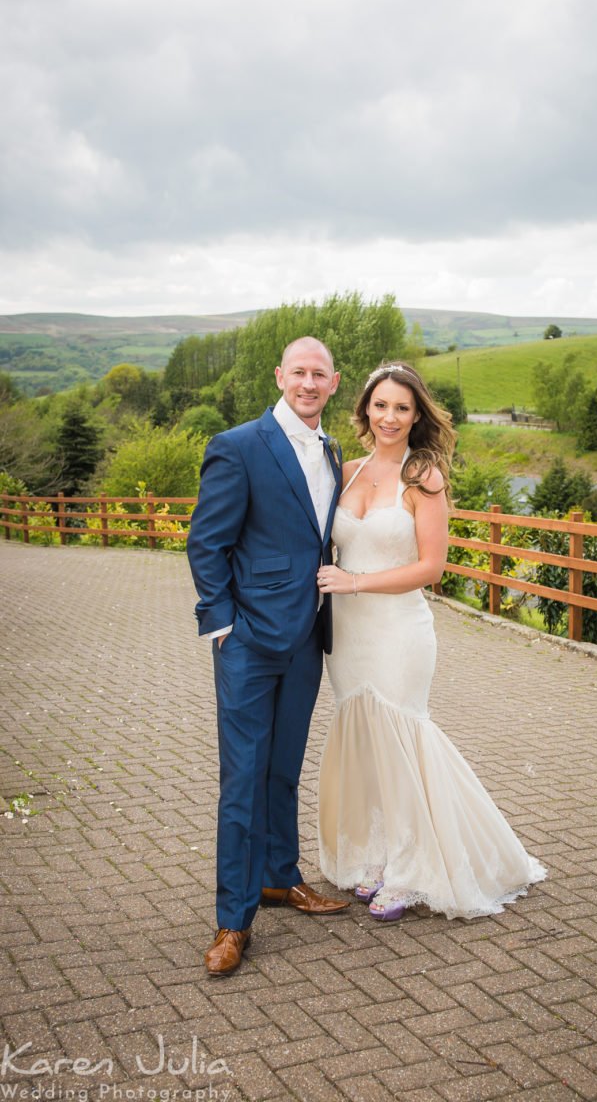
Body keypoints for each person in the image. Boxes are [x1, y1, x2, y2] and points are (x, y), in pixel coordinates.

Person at [316, 362, 546, 922]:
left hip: (398, 631)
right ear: (365, 408)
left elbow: (431, 567)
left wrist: (354, 581)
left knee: (402, 740)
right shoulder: (346, 470)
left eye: (402, 407)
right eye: (380, 405)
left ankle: (414, 870)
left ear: (417, 415)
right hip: (348, 634)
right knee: (366, 744)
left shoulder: (425, 477)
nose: (389, 417)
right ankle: (377, 856)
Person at [187, 336, 350, 977]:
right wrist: (222, 624)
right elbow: (207, 543)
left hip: (308, 637)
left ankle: (282, 878)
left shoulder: (331, 449)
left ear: (334, 383)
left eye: (320, 374)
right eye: (299, 372)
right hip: (249, 642)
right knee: (243, 781)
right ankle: (233, 919)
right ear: (280, 376)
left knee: (283, 769)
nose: (309, 383)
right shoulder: (239, 445)